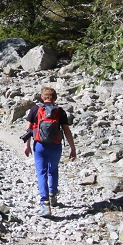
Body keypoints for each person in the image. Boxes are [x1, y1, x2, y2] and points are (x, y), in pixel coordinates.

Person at [22, 86, 76, 216]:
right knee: (53, 170)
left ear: (42, 97)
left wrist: (27, 146)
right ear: (55, 98)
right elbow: (67, 131)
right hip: (56, 145)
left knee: (41, 173)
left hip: (39, 145)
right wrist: (73, 148)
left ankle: (45, 205)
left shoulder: (35, 109)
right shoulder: (60, 111)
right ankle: (52, 195)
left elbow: (28, 129)